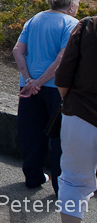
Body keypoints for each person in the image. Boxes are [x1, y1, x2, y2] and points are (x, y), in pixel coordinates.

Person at [12, 0, 81, 193]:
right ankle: (60, 187)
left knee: (31, 133)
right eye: (77, 2)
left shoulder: (34, 19)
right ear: (70, 5)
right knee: (60, 138)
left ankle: (32, 176)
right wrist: (41, 82)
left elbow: (17, 50)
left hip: (29, 86)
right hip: (56, 88)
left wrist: (30, 80)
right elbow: (62, 59)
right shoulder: (71, 24)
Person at [55, 16, 97, 222]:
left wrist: (70, 102)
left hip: (82, 113)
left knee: (74, 183)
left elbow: (63, 77)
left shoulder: (88, 26)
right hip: (82, 112)